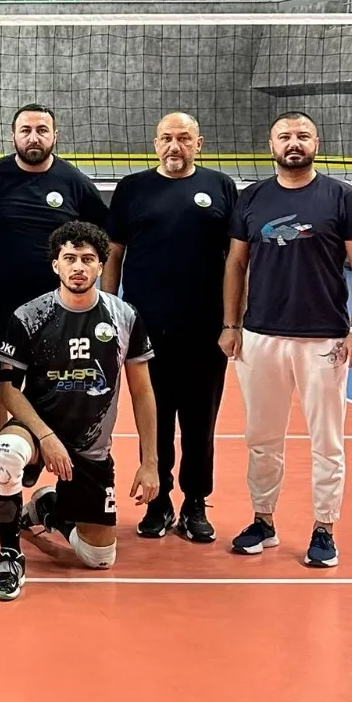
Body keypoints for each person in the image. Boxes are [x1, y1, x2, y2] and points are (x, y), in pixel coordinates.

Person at [222, 112, 352, 569]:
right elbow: (235, 263)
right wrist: (231, 325)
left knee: (326, 441)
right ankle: (263, 521)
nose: (294, 143)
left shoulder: (342, 196)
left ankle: (324, 528)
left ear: (315, 143)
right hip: (260, 336)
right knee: (261, 438)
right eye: (285, 136)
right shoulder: (252, 198)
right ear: (271, 144)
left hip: (323, 338)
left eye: (302, 135)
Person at [0, 221, 159, 601]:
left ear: (101, 265)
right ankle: (9, 556)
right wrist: (46, 437)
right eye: (70, 258)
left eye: (88, 259)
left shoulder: (124, 316)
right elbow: (7, 390)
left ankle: (49, 508)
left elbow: (143, 392)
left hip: (90, 446)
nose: (78, 267)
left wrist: (150, 463)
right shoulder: (30, 315)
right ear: (55, 265)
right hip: (36, 429)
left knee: (98, 558)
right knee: (6, 454)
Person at [0, 104, 108, 523]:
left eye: (42, 129)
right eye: (26, 129)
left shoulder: (74, 183)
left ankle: (52, 469)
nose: (34, 137)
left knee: (58, 392)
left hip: (56, 316)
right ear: (13, 135)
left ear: (55, 135)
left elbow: (103, 238)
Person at [102, 113, 237, 542]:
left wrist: (233, 322)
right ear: (155, 143)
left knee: (200, 423)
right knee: (155, 423)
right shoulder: (132, 189)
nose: (174, 146)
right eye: (166, 138)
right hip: (146, 331)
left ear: (199, 143)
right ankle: (157, 502)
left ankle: (195, 502)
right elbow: (114, 254)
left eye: (183, 138)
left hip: (205, 330)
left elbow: (236, 260)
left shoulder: (221, 186)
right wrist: (108, 312)